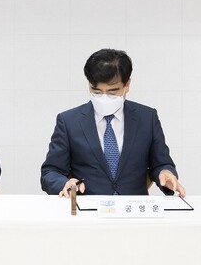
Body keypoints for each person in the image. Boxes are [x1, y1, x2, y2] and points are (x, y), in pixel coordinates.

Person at [40, 48, 185, 198]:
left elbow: (161, 163)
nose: (104, 97)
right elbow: (50, 172)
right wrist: (65, 183)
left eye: (112, 92)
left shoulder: (147, 118)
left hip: (133, 207)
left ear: (127, 85)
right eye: (96, 91)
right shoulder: (69, 121)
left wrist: (165, 173)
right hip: (88, 207)